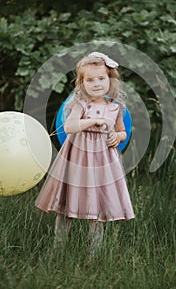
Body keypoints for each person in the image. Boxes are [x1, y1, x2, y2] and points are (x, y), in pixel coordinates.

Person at [35, 52, 135, 257]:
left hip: (102, 160)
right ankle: (58, 249)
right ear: (81, 83)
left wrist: (118, 137)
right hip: (77, 156)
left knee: (97, 205)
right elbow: (70, 126)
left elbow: (123, 131)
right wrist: (91, 122)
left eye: (101, 78)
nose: (96, 83)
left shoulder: (115, 106)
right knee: (66, 202)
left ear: (110, 80)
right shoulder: (80, 103)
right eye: (90, 79)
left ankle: (94, 254)